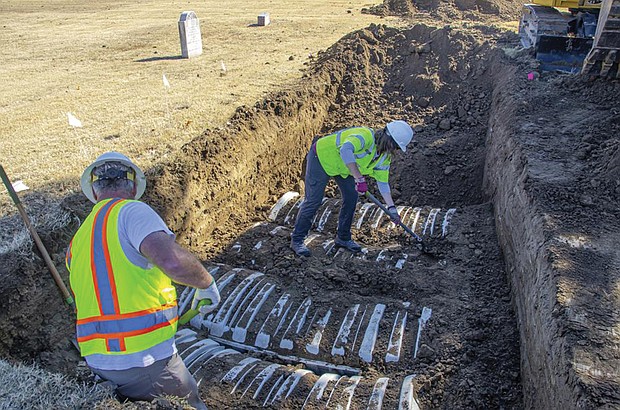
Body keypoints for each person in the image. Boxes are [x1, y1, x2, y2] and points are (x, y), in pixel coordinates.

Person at [65, 152, 220, 410]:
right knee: (191, 404)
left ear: (94, 191)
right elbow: (171, 261)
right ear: (134, 186)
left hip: (100, 363)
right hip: (144, 360)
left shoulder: (78, 239)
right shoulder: (131, 211)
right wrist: (206, 283)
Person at [290, 120, 414, 257]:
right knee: (313, 200)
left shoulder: (384, 157)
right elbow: (345, 149)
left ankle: (343, 238)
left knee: (351, 198)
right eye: (395, 146)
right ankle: (297, 240)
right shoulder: (364, 135)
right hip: (321, 158)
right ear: (388, 139)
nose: (394, 150)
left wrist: (391, 208)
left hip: (343, 168)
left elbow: (383, 183)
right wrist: (359, 178)